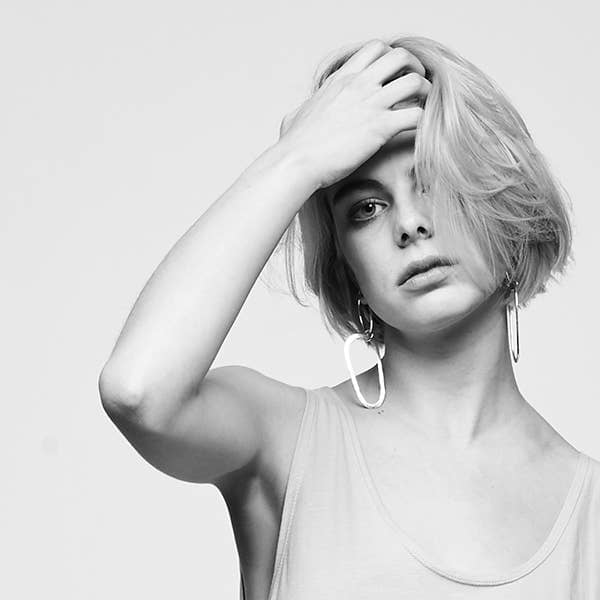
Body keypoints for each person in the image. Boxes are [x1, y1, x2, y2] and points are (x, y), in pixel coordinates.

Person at [98, 36, 600, 599]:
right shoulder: (284, 438)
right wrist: (297, 159)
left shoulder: (590, 516)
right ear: (346, 265)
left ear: (506, 205)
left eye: (437, 182)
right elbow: (137, 391)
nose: (409, 224)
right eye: (366, 208)